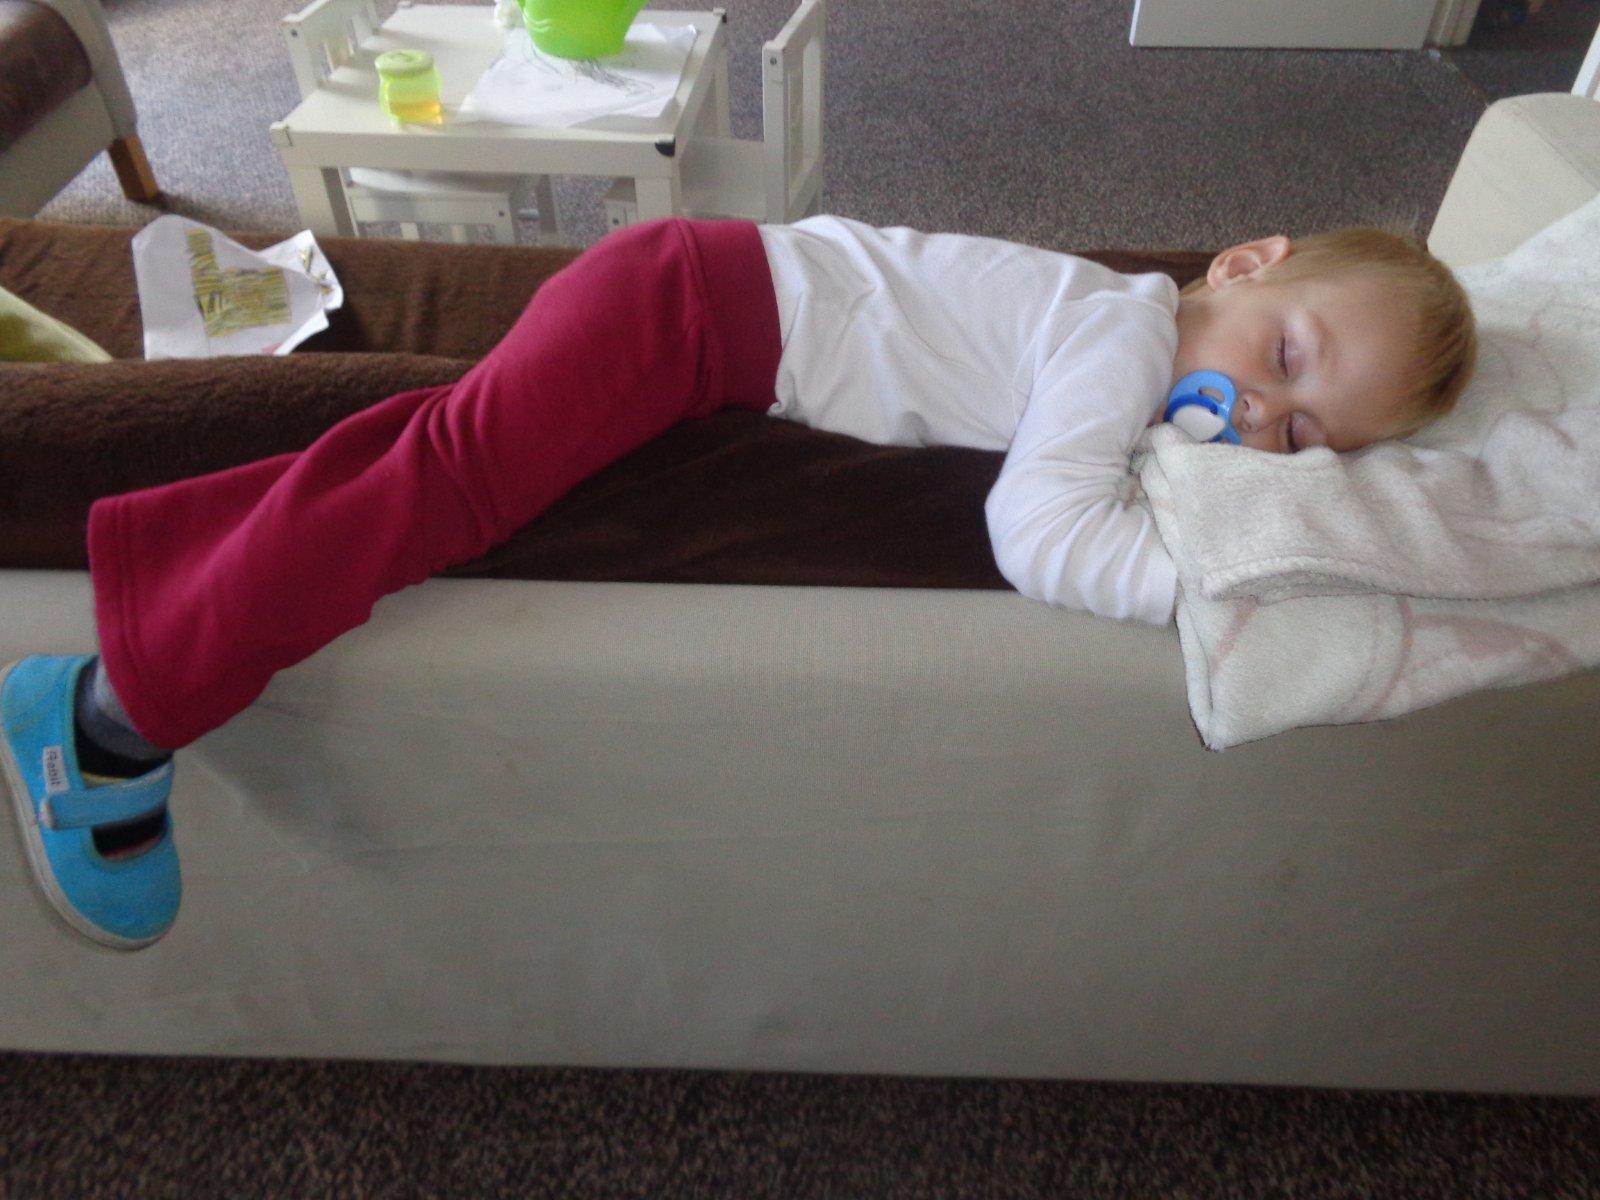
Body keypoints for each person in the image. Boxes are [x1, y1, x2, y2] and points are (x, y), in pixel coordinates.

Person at [0, 214, 1477, 949]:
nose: (1259, 417)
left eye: (1303, 435)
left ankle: (162, 562)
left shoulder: (1143, 348)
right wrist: (1210, 589)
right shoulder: (1127, 336)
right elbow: (1040, 533)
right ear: (1245, 263)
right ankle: (111, 714)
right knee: (445, 487)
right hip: (689, 313)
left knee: (425, 453)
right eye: (1284, 357)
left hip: (697, 302)